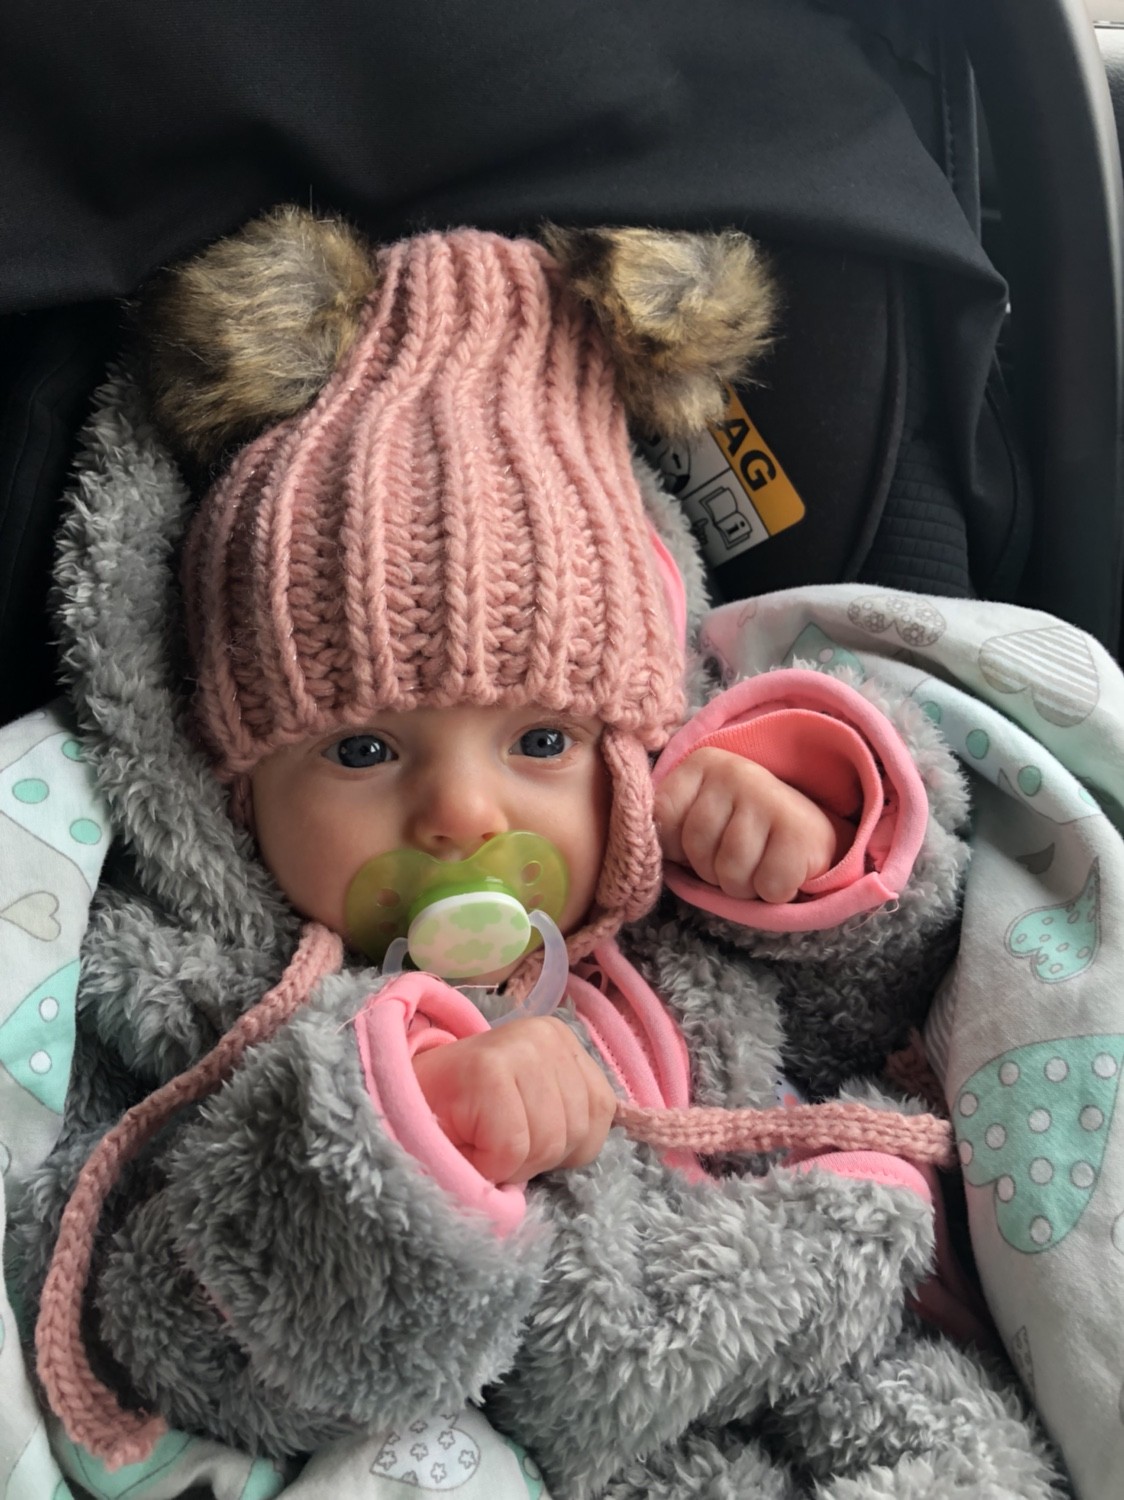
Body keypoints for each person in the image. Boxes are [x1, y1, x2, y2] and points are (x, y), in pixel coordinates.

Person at [14, 210, 1063, 1498]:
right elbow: (153, 1322)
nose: (463, 815)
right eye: (363, 750)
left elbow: (887, 1014)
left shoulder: (668, 905)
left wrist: (811, 842)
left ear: (630, 744)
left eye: (543, 739)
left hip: (833, 1322)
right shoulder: (194, 994)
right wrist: (413, 1145)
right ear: (232, 790)